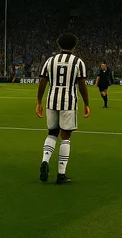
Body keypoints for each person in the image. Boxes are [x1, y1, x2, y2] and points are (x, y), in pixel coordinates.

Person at [36, 33, 90, 184]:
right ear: (74, 46)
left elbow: (42, 81)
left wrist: (39, 102)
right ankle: (61, 174)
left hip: (51, 100)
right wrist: (87, 104)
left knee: (52, 132)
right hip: (68, 102)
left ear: (59, 44)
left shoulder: (50, 60)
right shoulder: (78, 62)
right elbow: (82, 85)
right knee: (65, 136)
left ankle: (45, 160)